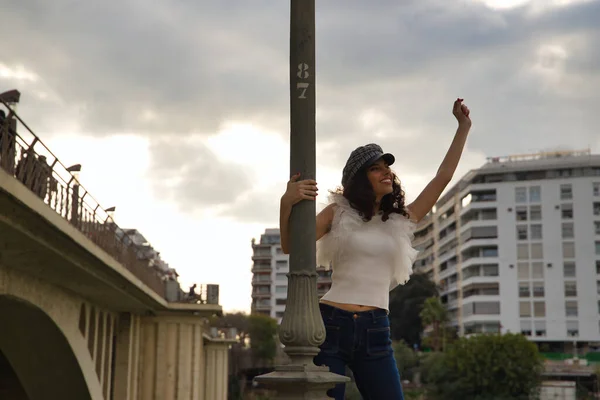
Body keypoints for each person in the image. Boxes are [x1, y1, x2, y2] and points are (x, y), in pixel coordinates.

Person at [279, 98, 472, 399]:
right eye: (376, 168)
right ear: (359, 179)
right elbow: (291, 245)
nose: (387, 173)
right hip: (331, 325)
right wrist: (286, 203)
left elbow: (443, 177)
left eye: (388, 168)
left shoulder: (401, 219)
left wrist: (463, 127)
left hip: (376, 330)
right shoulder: (337, 212)